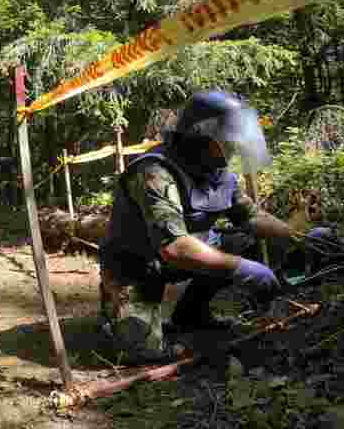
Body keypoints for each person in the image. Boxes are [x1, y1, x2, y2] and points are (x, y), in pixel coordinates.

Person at [97, 90, 296, 364]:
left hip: (187, 253)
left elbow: (251, 217)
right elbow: (175, 248)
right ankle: (116, 306)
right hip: (136, 267)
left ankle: (191, 314)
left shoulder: (217, 171)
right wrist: (242, 267)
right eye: (226, 141)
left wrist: (298, 235)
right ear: (200, 137)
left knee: (241, 244)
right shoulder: (154, 172)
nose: (233, 147)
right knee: (142, 352)